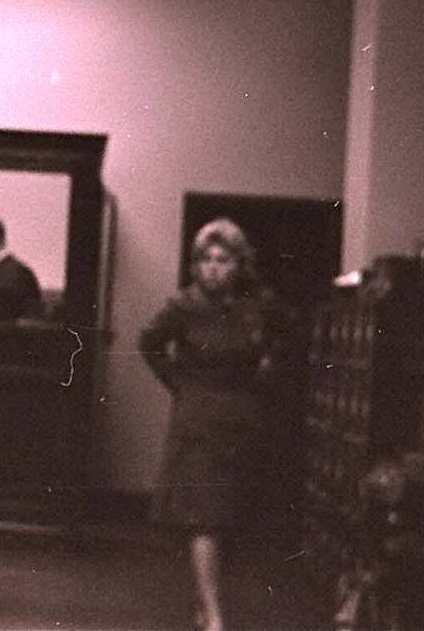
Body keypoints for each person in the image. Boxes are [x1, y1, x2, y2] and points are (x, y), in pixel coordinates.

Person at [139, 218, 287, 631]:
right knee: (205, 517)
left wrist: (268, 368)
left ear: (239, 264)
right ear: (196, 265)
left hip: (243, 418)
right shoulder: (184, 306)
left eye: (223, 260)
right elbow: (148, 342)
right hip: (199, 420)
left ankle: (206, 604)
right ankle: (215, 616)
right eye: (206, 259)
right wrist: (181, 385)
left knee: (230, 517)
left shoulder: (259, 305)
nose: (214, 268)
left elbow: (287, 337)